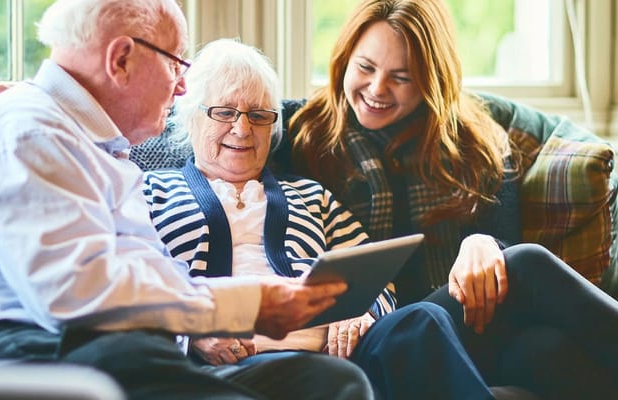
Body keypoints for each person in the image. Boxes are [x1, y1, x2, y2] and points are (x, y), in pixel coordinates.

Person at [277, 0, 618, 399]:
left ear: (430, 81)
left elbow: (502, 250)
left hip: (473, 324)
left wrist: (482, 242)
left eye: (401, 77)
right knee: (529, 263)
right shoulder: (301, 132)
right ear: (343, 59)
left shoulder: (473, 140)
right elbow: (216, 139)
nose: (377, 89)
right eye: (365, 67)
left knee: (548, 350)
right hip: (390, 333)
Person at [0, 1, 374, 399]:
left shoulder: (98, 149)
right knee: (129, 354)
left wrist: (245, 309)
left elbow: (145, 284)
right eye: (176, 64)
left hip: (109, 349)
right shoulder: (28, 131)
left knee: (330, 381)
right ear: (121, 58)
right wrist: (242, 305)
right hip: (13, 352)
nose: (182, 85)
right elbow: (76, 294)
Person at [143, 37, 496, 400]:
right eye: (224, 112)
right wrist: (191, 327)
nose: (242, 129)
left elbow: (376, 275)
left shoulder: (312, 196)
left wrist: (362, 310)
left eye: (259, 116)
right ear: (190, 115)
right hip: (234, 363)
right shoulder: (150, 193)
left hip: (339, 348)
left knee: (424, 319)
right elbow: (126, 286)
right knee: (327, 377)